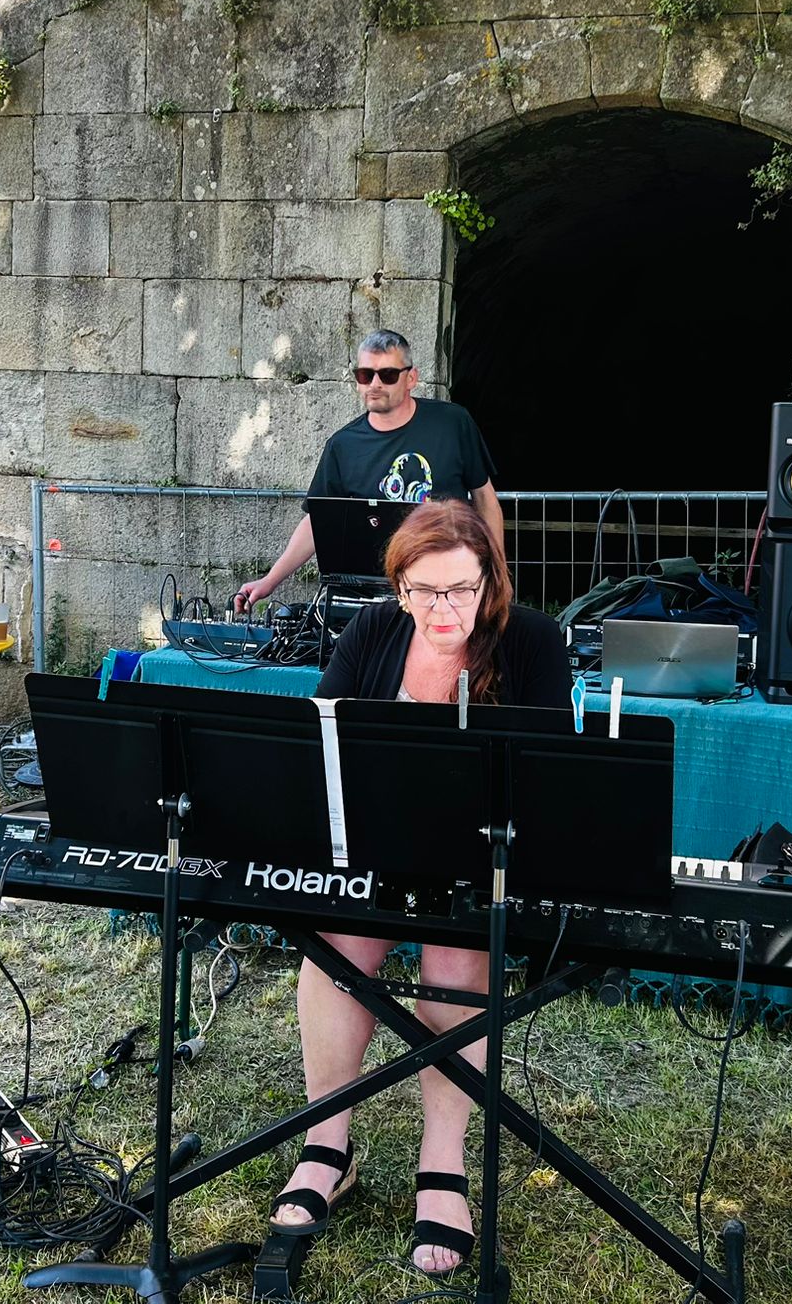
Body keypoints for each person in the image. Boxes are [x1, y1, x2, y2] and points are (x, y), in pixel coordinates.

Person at [266, 498, 573, 1275]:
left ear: (488, 582)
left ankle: (442, 1165)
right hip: (375, 849)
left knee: (457, 961)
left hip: (479, 859)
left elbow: (552, 776)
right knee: (334, 951)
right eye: (426, 591)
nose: (445, 609)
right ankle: (327, 1146)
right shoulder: (373, 630)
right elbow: (319, 740)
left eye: (462, 590)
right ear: (399, 587)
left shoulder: (532, 640)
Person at [233, 329, 501, 613]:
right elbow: (317, 522)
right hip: (375, 599)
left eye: (388, 375)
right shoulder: (342, 446)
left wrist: (496, 575)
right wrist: (270, 581)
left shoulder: (453, 423)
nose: (375, 384)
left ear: (411, 378)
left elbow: (485, 500)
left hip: (449, 590)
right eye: (365, 375)